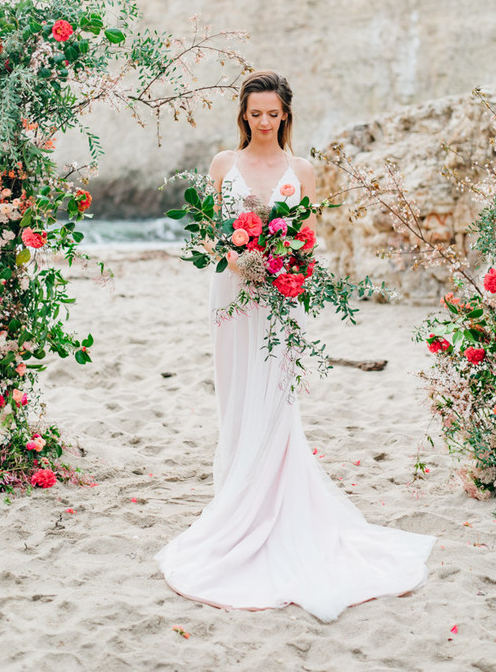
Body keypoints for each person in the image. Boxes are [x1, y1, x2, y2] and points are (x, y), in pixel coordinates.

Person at [155, 70, 436, 622]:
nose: (264, 122)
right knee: (236, 393)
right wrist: (237, 258)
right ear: (243, 114)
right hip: (232, 290)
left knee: (277, 395)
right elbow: (212, 232)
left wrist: (285, 263)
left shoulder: (301, 170)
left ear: (285, 115)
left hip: (279, 295)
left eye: (273, 114)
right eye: (255, 113)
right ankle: (237, 492)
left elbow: (307, 237)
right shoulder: (221, 165)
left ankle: (274, 499)